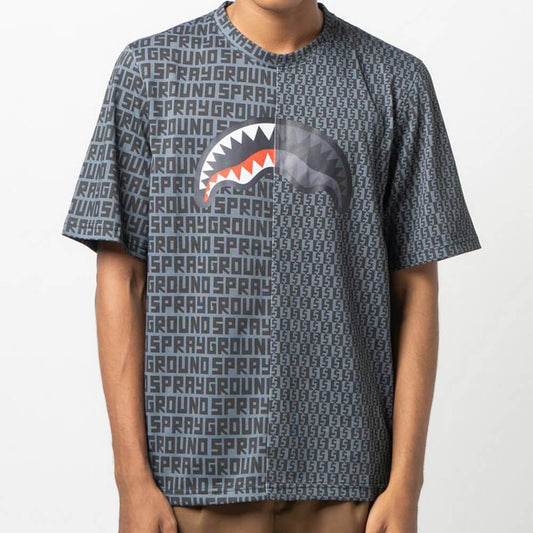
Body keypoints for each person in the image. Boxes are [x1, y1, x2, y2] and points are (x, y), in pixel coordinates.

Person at [61, 0, 482, 531]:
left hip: (352, 478)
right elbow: (121, 278)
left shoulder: (396, 81)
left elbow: (415, 288)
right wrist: (131, 480)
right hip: (186, 480)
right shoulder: (151, 72)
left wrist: (406, 484)